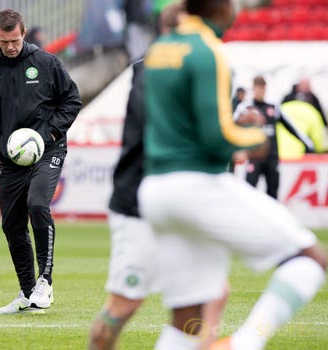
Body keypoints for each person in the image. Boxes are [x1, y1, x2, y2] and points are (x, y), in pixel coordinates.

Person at [139, 1, 326, 349]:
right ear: (222, 6)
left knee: (187, 320)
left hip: (155, 188)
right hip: (195, 183)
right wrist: (256, 136)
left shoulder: (161, 49)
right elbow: (217, 136)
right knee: (308, 260)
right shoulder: (208, 50)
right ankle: (243, 344)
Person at [88, 3, 227, 349]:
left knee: (204, 302)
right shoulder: (149, 71)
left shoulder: (191, 68)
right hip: (138, 203)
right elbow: (164, 126)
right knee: (123, 307)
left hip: (180, 201)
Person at [0, 8, 82, 314]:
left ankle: (45, 283)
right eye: (5, 41)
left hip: (49, 150)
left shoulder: (46, 63)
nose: (10, 46)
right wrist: (0, 146)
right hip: (10, 160)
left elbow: (72, 99)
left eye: (15, 40)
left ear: (24, 33)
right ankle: (27, 292)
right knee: (11, 224)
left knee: (37, 204)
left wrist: (47, 135)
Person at [237, 76, 314, 199]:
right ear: (253, 89)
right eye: (258, 88)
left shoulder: (273, 107)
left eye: (262, 88)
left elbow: (291, 127)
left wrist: (308, 144)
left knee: (273, 194)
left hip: (271, 158)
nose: (260, 91)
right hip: (254, 158)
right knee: (248, 194)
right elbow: (231, 128)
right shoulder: (245, 108)